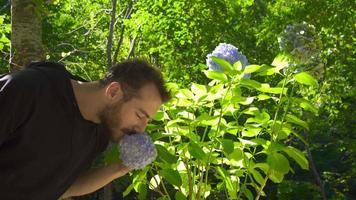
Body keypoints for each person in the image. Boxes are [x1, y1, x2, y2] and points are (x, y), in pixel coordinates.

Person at [0, 59, 170, 199]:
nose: (141, 129)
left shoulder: (98, 134)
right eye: (140, 115)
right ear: (113, 92)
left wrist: (121, 168)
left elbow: (64, 187)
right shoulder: (29, 89)